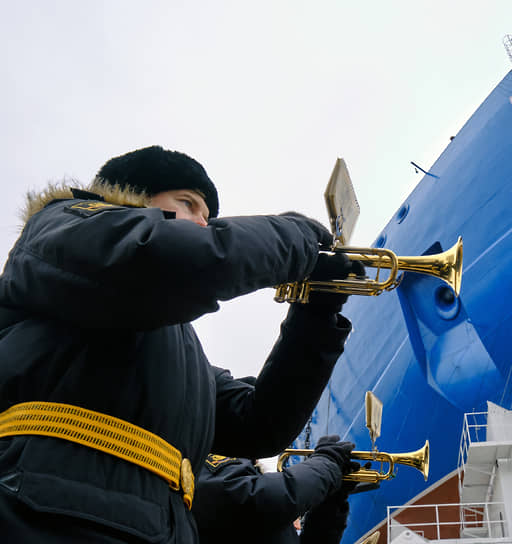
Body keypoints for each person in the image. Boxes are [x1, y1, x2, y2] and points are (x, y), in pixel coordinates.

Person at [0, 145, 361, 542]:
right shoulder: (63, 226)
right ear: (134, 195)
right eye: (188, 204)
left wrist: (315, 312)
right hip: (49, 518)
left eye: (208, 217)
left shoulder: (176, 350)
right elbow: (167, 257)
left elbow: (261, 425)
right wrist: (301, 235)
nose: (202, 224)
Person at [193, 434, 365, 544]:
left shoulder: (250, 472)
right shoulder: (201, 459)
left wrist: (330, 501)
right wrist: (326, 464)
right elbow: (258, 501)